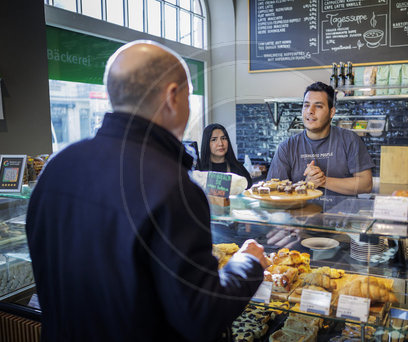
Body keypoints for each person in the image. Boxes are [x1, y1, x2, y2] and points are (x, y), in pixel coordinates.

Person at [25, 40, 268, 342]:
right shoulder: (171, 185)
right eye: (189, 96)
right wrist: (248, 263)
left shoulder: (57, 167)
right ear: (172, 96)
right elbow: (200, 315)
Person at [267, 81, 374, 195]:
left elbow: (366, 185)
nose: (310, 111)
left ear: (331, 112)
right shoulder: (287, 147)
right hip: (301, 212)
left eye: (318, 106)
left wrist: (323, 181)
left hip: (342, 212)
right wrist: (306, 184)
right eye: (306, 105)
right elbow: (273, 191)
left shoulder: (350, 140)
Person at [199, 123, 253, 188]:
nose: (220, 143)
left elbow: (248, 188)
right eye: (214, 139)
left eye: (223, 138)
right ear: (206, 143)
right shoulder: (199, 169)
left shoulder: (238, 168)